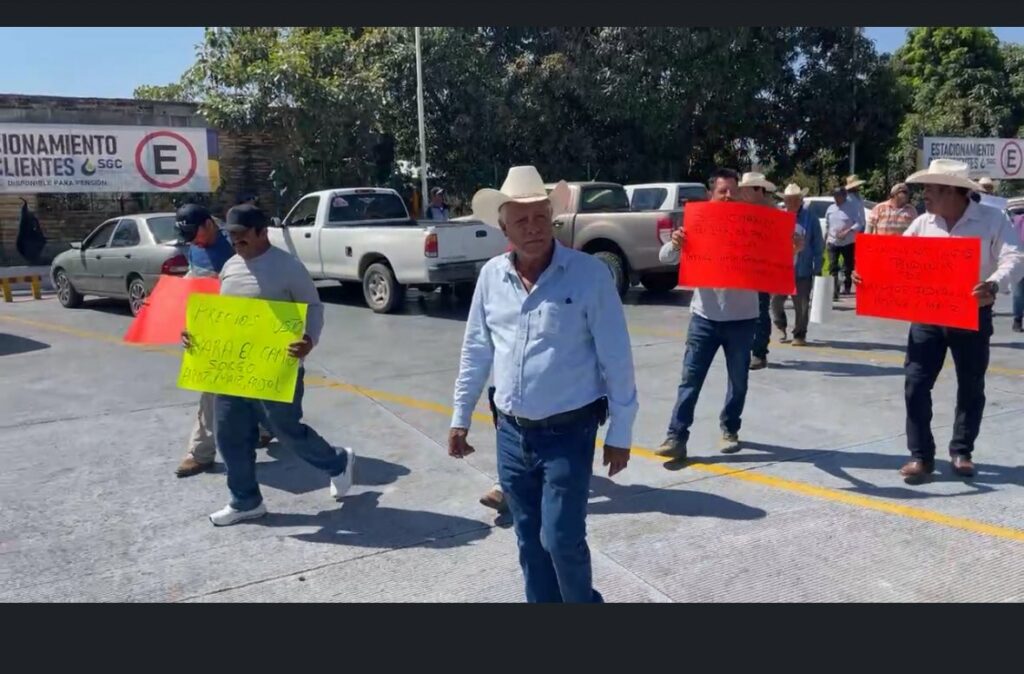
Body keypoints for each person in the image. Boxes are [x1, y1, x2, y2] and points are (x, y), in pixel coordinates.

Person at [449, 165, 637, 603]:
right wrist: (460, 417)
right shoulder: (491, 277)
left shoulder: (589, 275)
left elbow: (617, 358)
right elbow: (476, 350)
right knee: (529, 541)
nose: (533, 228)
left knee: (560, 540)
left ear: (551, 216)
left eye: (540, 216)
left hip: (569, 433)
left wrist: (622, 432)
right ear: (503, 226)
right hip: (511, 434)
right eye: (521, 220)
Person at [182, 204, 356, 526]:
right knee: (229, 435)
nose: (235, 242)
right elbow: (222, 316)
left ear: (262, 232)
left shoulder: (287, 266)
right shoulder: (231, 267)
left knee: (285, 431)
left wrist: (309, 340)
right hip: (233, 369)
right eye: (231, 235)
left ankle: (338, 462)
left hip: (277, 368)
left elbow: (314, 307)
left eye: (242, 235)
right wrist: (196, 336)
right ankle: (245, 501)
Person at [852, 160, 1022, 484]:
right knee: (915, 383)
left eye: (931, 188)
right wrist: (866, 275)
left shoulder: (992, 220)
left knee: (971, 386)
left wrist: (995, 283)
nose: (924, 194)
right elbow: (895, 262)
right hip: (927, 316)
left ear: (952, 191)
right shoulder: (922, 224)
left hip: (972, 312)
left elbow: (1015, 257)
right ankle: (921, 456)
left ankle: (962, 451)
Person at [655, 168, 758, 460]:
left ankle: (730, 429)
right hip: (704, 317)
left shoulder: (751, 227)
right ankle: (676, 437)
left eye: (733, 192)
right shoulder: (697, 225)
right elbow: (666, 258)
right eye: (722, 191)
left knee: (738, 381)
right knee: (690, 380)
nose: (728, 197)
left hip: (742, 318)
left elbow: (777, 263)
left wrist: (793, 251)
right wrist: (675, 243)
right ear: (711, 195)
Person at [173, 204, 273, 478]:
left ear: (209, 224)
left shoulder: (236, 248)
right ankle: (201, 453)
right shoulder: (195, 245)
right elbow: (194, 278)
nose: (193, 240)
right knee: (211, 391)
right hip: (210, 328)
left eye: (195, 234)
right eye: (188, 237)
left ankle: (265, 427)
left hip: (240, 326)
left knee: (249, 385)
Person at [737, 172, 780, 370]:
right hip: (742, 269)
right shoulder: (739, 211)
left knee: (761, 311)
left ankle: (759, 353)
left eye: (745, 189)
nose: (741, 193)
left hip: (763, 270)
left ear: (758, 190)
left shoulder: (773, 213)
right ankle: (746, 349)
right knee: (743, 311)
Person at [771, 184, 823, 346]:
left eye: (795, 199)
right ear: (784, 200)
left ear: (801, 200)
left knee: (801, 304)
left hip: (803, 267)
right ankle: (780, 325)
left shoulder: (810, 218)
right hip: (782, 268)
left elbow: (818, 243)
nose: (792, 202)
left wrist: (818, 265)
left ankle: (800, 334)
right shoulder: (778, 217)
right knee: (776, 301)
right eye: (788, 199)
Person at [825, 187, 856, 301]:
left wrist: (847, 231)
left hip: (848, 242)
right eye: (835, 196)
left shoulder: (851, 209)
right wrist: (826, 238)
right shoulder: (830, 208)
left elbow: (859, 223)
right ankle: (834, 290)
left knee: (848, 266)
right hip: (833, 242)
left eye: (838, 196)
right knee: (833, 266)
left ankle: (847, 286)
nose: (836, 198)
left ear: (844, 196)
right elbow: (828, 225)